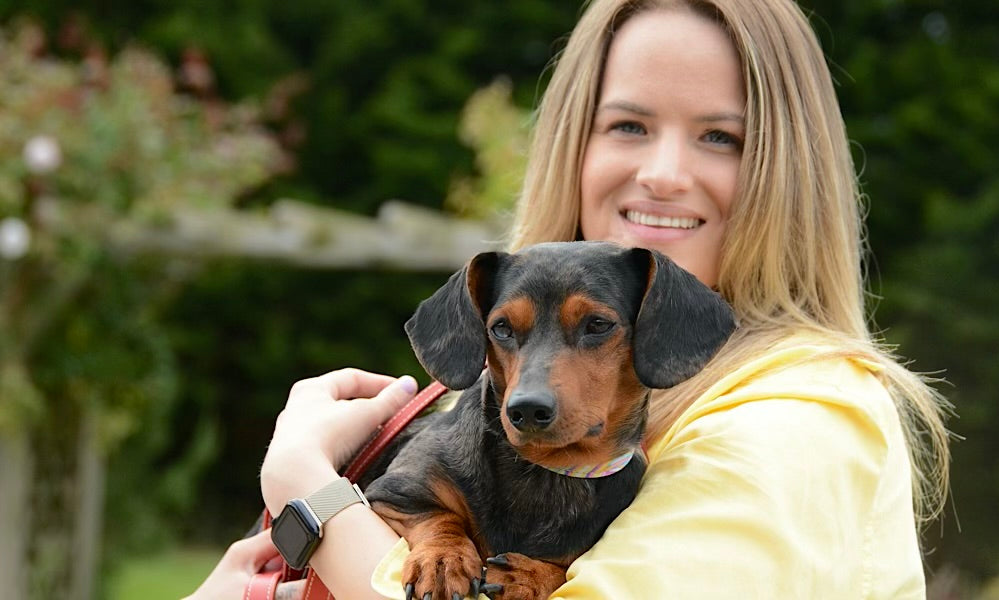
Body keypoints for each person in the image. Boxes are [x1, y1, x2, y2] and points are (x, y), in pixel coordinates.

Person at [189, 0, 952, 597]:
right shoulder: (524, 386)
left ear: (787, 168)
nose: (661, 172)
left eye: (720, 137)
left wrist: (307, 495)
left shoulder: (802, 418)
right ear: (572, 144)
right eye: (628, 124)